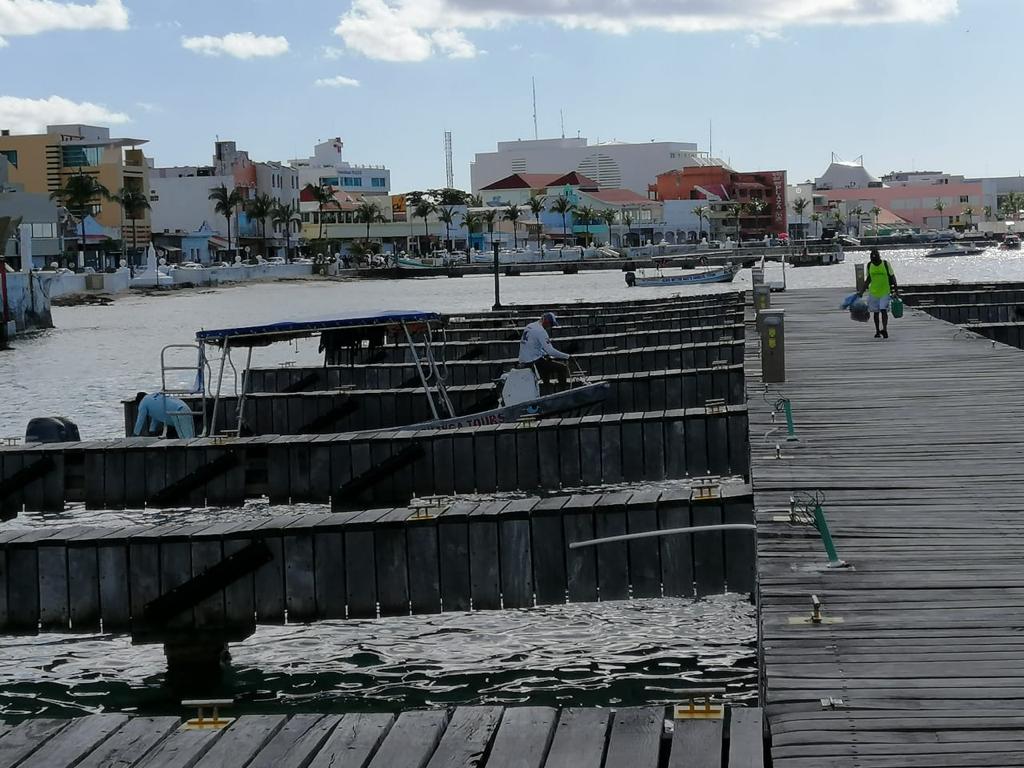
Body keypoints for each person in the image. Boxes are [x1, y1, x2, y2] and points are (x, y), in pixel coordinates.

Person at [518, 312, 571, 388]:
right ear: (546, 322)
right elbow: (551, 351)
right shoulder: (541, 331)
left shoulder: (530, 326)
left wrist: (544, 353)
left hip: (523, 359)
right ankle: (563, 390)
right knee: (562, 368)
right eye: (551, 324)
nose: (551, 327)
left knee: (546, 363)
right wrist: (567, 356)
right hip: (532, 362)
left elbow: (531, 346)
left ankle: (547, 387)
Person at [858, 249, 898, 339]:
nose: (874, 261)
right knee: (875, 312)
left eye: (875, 258)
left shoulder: (885, 264)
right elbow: (868, 279)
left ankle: (885, 329)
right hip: (874, 292)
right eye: (872, 259)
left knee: (883, 310)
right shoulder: (869, 265)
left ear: (879, 257)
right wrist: (861, 291)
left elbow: (892, 277)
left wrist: (896, 290)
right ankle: (877, 331)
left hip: (885, 291)